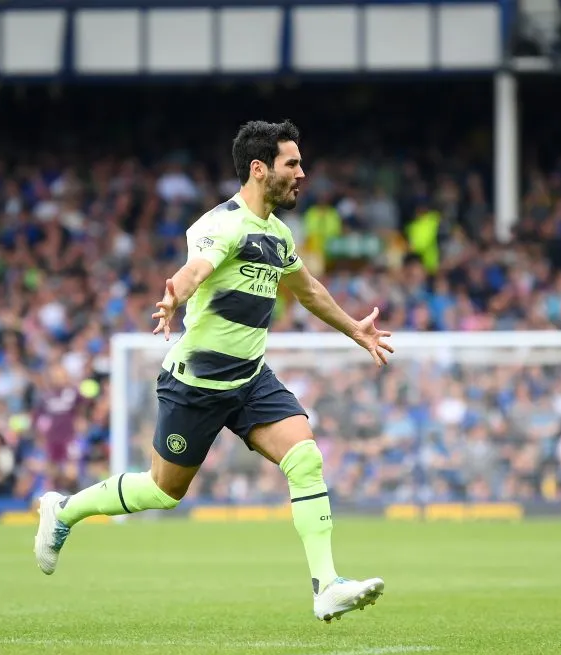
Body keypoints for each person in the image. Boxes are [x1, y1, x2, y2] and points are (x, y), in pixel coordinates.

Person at [33, 120, 394, 623]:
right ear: (259, 168)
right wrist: (174, 294)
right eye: (292, 164)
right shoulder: (220, 225)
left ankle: (327, 585)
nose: (301, 173)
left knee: (306, 457)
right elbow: (196, 268)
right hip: (196, 384)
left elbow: (307, 290)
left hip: (249, 379)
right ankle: (64, 510)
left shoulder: (278, 233)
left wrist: (355, 329)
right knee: (164, 490)